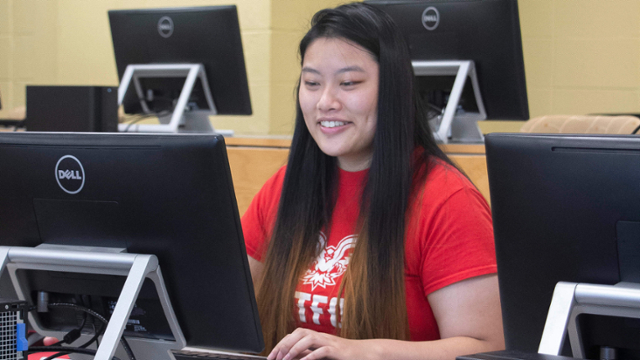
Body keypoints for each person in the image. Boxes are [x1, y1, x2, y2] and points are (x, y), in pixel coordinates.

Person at [241, 3, 504, 360]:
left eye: (349, 83)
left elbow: (487, 348)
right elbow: (227, 303)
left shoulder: (446, 198)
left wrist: (365, 352)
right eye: (312, 83)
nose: (325, 102)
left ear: (392, 90)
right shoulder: (287, 185)